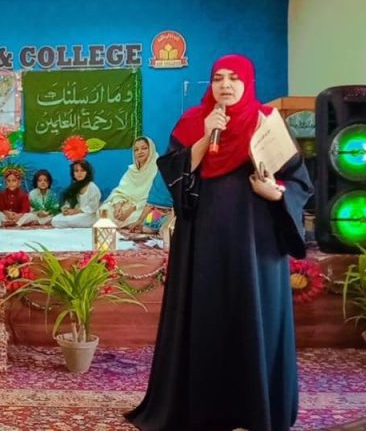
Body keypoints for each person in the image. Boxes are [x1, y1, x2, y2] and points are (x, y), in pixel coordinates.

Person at [125, 54, 312, 431]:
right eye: (218, 78)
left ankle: (255, 408)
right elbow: (173, 176)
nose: (225, 85)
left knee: (254, 317)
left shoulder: (268, 123)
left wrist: (275, 192)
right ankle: (203, 409)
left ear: (248, 83)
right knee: (205, 317)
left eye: (234, 78)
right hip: (202, 243)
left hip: (257, 246)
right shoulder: (193, 122)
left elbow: (299, 182)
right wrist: (202, 138)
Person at [99, 137, 160, 228]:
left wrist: (131, 210)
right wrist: (118, 206)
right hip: (126, 205)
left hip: (144, 208)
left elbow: (155, 198)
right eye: (136, 150)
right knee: (104, 210)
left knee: (153, 216)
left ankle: (134, 224)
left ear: (151, 150)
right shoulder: (132, 170)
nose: (140, 152)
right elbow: (119, 191)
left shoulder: (158, 169)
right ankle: (129, 224)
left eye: (144, 148)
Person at [51, 160, 101, 228]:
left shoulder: (92, 187)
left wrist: (77, 211)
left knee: (69, 220)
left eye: (82, 170)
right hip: (76, 214)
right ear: (73, 173)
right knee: (55, 220)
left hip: (89, 215)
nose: (79, 173)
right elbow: (66, 198)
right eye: (76, 171)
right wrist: (66, 208)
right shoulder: (74, 186)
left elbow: (93, 207)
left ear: (87, 172)